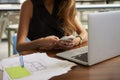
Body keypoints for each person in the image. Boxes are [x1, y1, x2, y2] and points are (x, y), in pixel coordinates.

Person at [16, 0, 88, 55]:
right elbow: (19, 46)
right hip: (40, 59)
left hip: (64, 57)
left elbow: (84, 33)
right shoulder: (28, 5)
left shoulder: (64, 4)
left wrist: (76, 41)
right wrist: (40, 42)